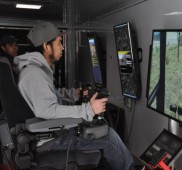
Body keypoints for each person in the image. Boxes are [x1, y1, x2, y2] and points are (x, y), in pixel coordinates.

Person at [14, 22, 138, 170]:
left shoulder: (35, 70)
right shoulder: (34, 74)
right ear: (46, 46)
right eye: (59, 43)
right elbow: (47, 110)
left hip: (49, 133)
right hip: (49, 139)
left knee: (97, 129)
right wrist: (88, 110)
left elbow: (48, 95)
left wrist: (73, 94)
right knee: (108, 135)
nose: (62, 47)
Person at [0, 35, 19, 118]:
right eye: (11, 46)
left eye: (16, 45)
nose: (15, 49)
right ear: (3, 48)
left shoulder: (12, 62)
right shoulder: (6, 62)